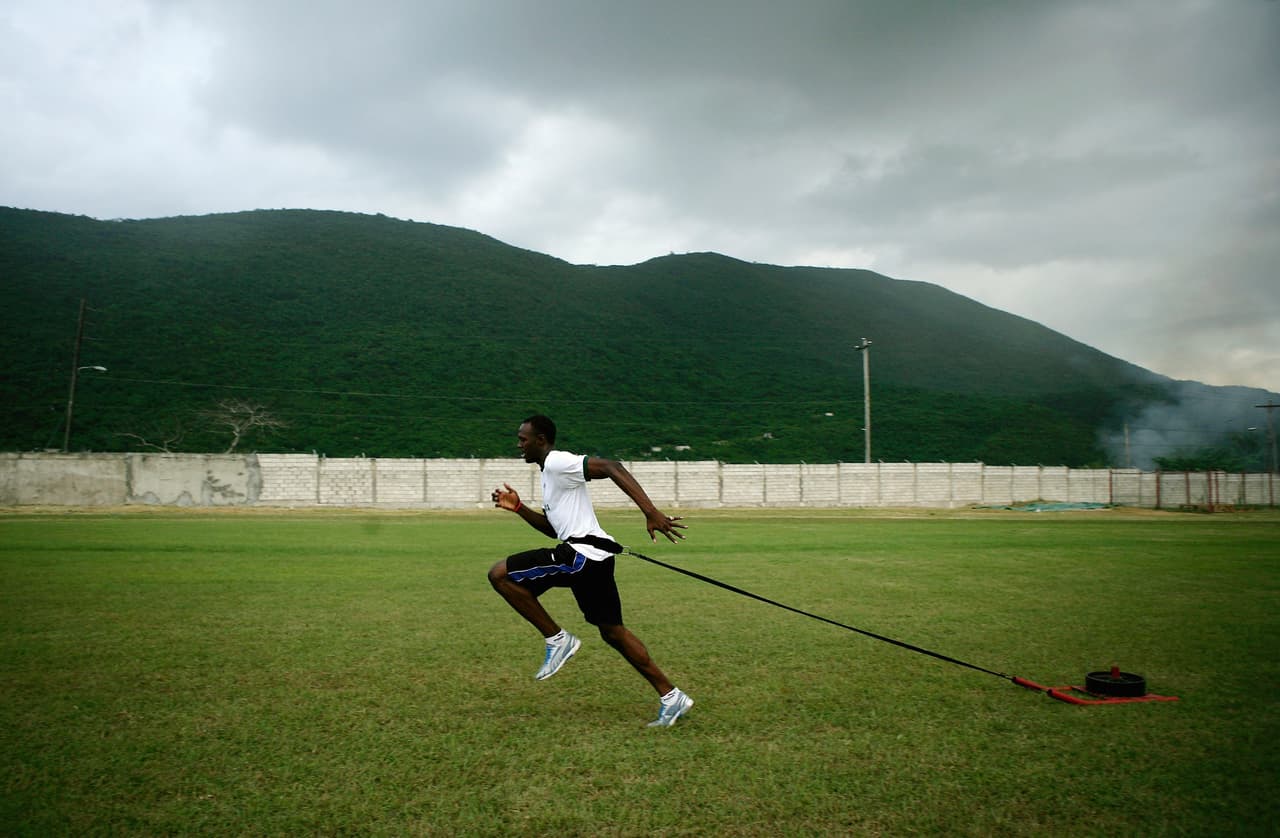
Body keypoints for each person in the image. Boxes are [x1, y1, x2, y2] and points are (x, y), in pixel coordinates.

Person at [488, 414, 694, 727]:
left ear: (540, 440)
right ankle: (671, 696)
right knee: (614, 633)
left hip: (580, 557)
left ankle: (558, 639)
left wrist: (651, 512)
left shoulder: (558, 462)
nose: (519, 445)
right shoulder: (549, 473)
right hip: (592, 557)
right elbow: (554, 529)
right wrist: (518, 508)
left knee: (500, 575)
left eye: (523, 439)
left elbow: (613, 467)